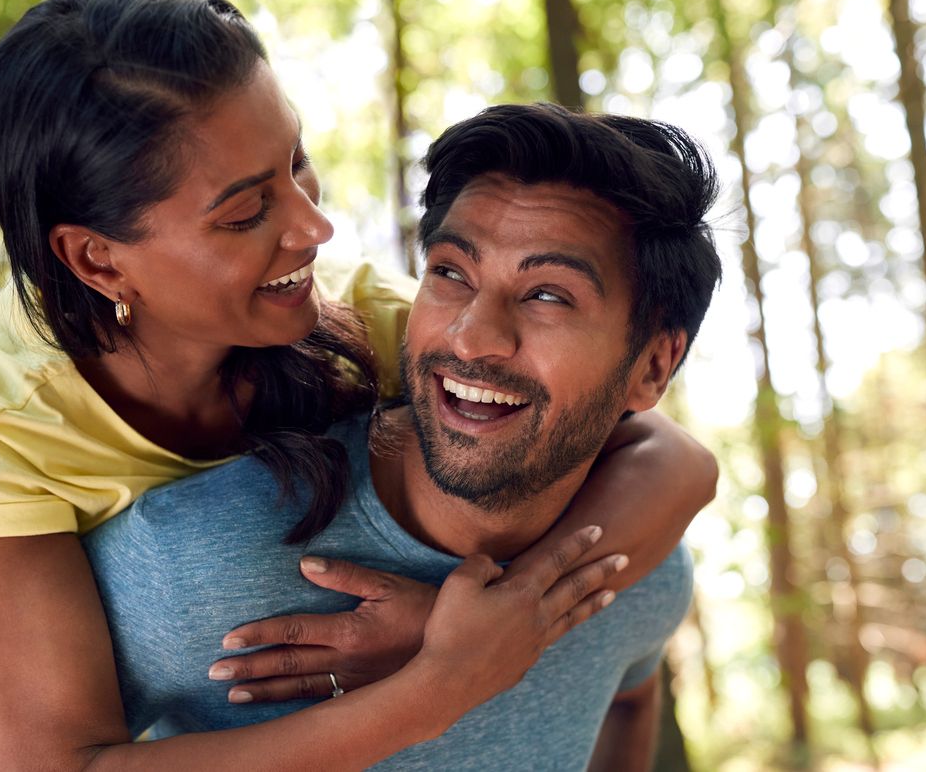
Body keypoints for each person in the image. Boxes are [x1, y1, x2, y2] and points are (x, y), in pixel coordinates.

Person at [0, 0, 716, 770]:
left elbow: (672, 456)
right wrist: (443, 684)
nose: (315, 226)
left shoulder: (353, 321)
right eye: (247, 212)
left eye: (297, 163)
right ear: (97, 258)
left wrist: (504, 614)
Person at [83, 102, 722, 770]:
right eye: (451, 273)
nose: (472, 336)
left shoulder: (637, 571)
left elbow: (628, 694)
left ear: (651, 367)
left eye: (548, 296)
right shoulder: (185, 559)